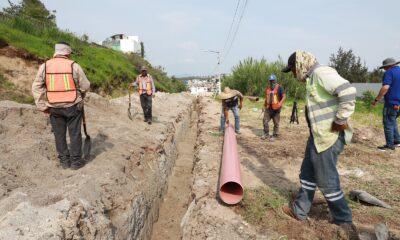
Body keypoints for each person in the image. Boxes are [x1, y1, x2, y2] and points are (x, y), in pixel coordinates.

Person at [281, 51, 358, 235]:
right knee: (307, 173)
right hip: (317, 136)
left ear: (300, 65)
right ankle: (300, 211)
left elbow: (348, 92)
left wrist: (339, 121)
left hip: (329, 136)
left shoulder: (321, 73)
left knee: (326, 180)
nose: (293, 74)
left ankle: (343, 219)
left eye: (292, 70)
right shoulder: (311, 78)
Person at [32, 42, 90, 170]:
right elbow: (85, 86)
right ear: (68, 53)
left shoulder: (45, 66)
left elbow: (36, 87)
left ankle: (64, 162)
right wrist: (81, 95)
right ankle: (76, 162)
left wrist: (42, 106)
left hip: (54, 106)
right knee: (74, 134)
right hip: (73, 105)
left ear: (56, 52)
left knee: (59, 135)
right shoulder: (74, 66)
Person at [372, 58, 400, 151]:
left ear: (388, 66)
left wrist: (376, 100)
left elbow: (385, 87)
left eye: (384, 67)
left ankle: (390, 146)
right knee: (392, 121)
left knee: (388, 123)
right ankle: (397, 141)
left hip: (391, 102)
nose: (384, 69)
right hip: (398, 103)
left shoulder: (389, 73)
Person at [261, 74, 286, 141]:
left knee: (276, 123)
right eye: (271, 81)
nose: (272, 82)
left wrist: (280, 103)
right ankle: (266, 134)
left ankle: (275, 135)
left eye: (273, 80)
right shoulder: (268, 88)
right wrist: (264, 106)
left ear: (275, 80)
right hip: (268, 108)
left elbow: (284, 96)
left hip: (276, 109)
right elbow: (267, 98)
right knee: (265, 121)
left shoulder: (280, 87)